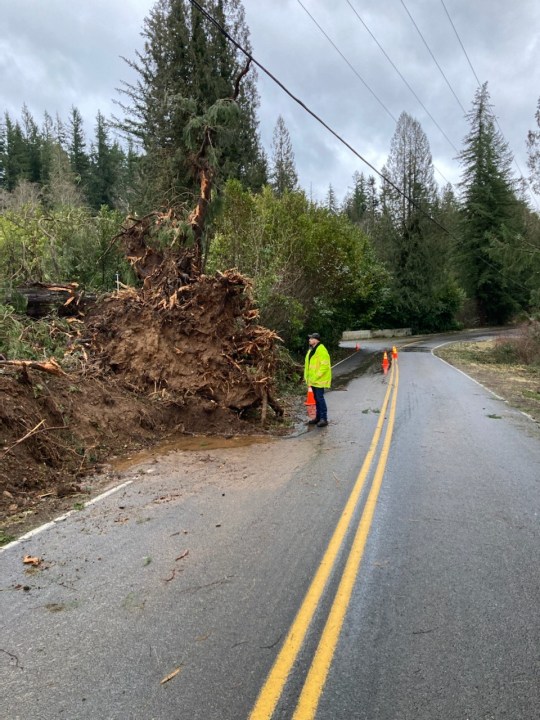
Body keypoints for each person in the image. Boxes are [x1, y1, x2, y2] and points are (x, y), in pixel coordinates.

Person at [304, 333, 331, 427]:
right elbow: (309, 365)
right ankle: (318, 417)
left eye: (311, 338)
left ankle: (324, 419)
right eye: (310, 338)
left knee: (320, 399)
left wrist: (316, 376)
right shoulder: (312, 349)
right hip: (313, 380)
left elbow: (325, 365)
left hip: (319, 380)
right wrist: (307, 377)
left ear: (316, 340)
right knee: (316, 399)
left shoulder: (321, 350)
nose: (309, 340)